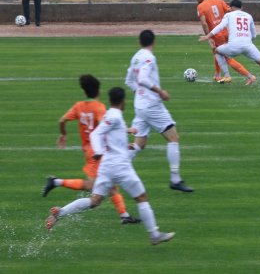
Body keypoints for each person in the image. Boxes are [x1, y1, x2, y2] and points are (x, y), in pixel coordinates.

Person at [45, 87, 175, 246]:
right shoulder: (115, 116)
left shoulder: (111, 115)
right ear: (122, 101)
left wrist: (126, 133)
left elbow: (108, 133)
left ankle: (60, 213)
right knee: (141, 197)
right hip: (120, 166)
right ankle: (154, 234)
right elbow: (95, 134)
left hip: (107, 166)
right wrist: (99, 151)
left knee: (95, 201)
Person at [42, 75, 141, 225]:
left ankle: (124, 215)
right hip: (98, 151)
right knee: (94, 191)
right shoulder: (99, 107)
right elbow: (106, 126)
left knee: (109, 186)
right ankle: (57, 194)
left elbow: (62, 120)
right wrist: (127, 131)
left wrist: (63, 134)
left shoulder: (78, 106)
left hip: (89, 150)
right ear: (98, 90)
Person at [125, 29, 194, 193]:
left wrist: (139, 93)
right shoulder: (149, 57)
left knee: (139, 144)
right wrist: (159, 91)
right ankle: (175, 179)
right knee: (173, 138)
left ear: (139, 42)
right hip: (151, 105)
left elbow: (129, 81)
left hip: (140, 105)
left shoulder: (135, 57)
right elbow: (142, 79)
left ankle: (113, 168)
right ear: (153, 42)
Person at [199, 0, 260, 90]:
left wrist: (208, 36)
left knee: (216, 51)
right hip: (248, 45)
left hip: (233, 46)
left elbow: (220, 26)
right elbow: (254, 34)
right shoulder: (249, 16)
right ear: (241, 8)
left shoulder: (228, 15)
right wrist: (250, 43)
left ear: (231, 8)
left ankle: (227, 75)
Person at [194, 0, 256, 85]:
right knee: (216, 52)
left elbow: (204, 23)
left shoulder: (200, 7)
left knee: (226, 57)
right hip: (227, 32)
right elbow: (232, 11)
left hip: (216, 35)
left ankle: (249, 76)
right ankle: (217, 74)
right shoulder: (219, 1)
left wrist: (208, 37)